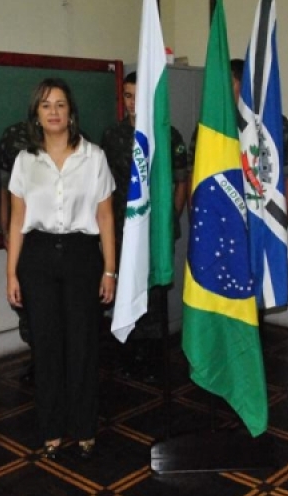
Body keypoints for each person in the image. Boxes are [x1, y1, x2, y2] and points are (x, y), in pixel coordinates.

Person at [6, 78, 115, 461]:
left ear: (71, 113)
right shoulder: (25, 160)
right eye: (46, 105)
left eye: (61, 104)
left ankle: (85, 427)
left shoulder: (94, 156)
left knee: (83, 345)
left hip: (82, 255)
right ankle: (51, 429)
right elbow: (17, 219)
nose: (53, 111)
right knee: (46, 347)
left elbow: (105, 216)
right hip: (36, 257)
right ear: (37, 113)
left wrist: (110, 271)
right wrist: (11, 274)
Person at [100, 71, 187, 383]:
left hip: (156, 231)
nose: (133, 102)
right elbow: (103, 188)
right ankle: (131, 351)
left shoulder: (168, 134)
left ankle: (153, 355)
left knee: (155, 292)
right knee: (128, 288)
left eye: (139, 94)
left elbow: (181, 183)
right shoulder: (112, 137)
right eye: (127, 95)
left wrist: (168, 221)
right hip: (124, 230)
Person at [188, 58, 288, 222]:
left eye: (228, 84)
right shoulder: (209, 127)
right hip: (218, 220)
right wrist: (197, 220)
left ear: (244, 85)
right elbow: (194, 175)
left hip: (259, 219)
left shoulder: (274, 124)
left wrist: (280, 224)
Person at [0, 119, 33, 383]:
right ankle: (37, 358)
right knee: (28, 304)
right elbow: (4, 188)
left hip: (63, 241)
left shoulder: (78, 141)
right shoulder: (14, 136)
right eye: (44, 104)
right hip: (24, 237)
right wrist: (5, 230)